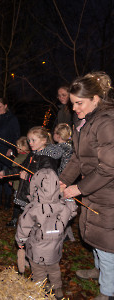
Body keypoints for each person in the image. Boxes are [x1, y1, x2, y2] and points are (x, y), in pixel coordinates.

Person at [60, 72, 114, 300]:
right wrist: (63, 180)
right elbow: (77, 159)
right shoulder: (85, 121)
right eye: (73, 104)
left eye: (78, 103)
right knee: (94, 233)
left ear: (95, 98)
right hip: (94, 190)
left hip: (108, 192)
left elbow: (109, 167)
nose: (74, 108)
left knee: (107, 243)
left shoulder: (107, 122)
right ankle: (99, 270)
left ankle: (108, 291)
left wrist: (79, 188)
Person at [16, 168, 77, 300]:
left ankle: (39, 292)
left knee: (38, 272)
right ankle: (58, 289)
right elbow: (72, 211)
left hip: (37, 250)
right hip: (54, 250)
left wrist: (20, 241)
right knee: (54, 269)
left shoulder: (33, 208)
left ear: (35, 187)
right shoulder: (61, 206)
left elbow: (23, 226)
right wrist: (68, 198)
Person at [0, 126, 63, 228]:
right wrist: (5, 173)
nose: (30, 143)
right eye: (29, 140)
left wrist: (27, 177)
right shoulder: (33, 154)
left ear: (43, 140)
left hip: (41, 198)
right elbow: (21, 168)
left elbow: (47, 181)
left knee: (38, 224)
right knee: (29, 221)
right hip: (29, 194)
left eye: (33, 140)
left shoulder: (48, 159)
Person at [53, 123, 76, 242]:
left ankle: (64, 234)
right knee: (66, 207)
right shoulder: (70, 146)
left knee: (62, 207)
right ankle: (67, 234)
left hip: (62, 180)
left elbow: (49, 154)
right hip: (69, 179)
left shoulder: (61, 147)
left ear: (58, 135)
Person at [9, 136, 30, 215]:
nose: (16, 149)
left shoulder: (21, 157)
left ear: (24, 147)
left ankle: (15, 218)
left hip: (19, 185)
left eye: (18, 147)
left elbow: (14, 170)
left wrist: (11, 179)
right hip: (23, 185)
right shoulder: (30, 156)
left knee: (18, 201)